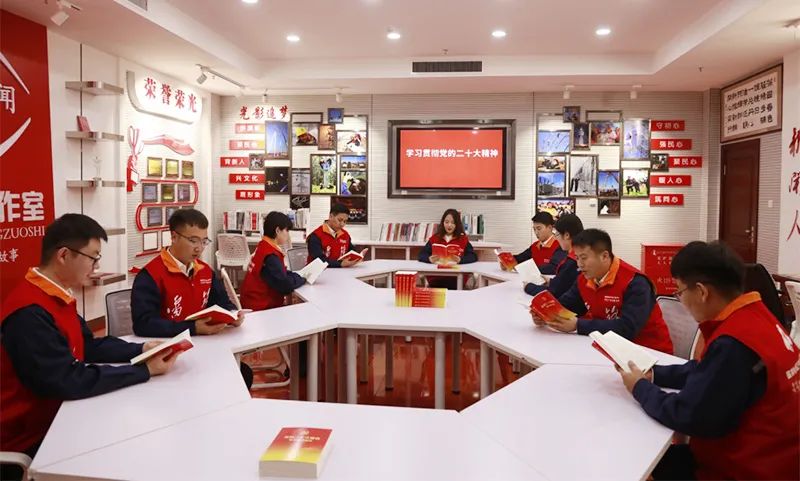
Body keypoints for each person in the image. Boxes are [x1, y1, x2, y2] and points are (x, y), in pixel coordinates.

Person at [0, 214, 179, 477]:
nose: (96, 265)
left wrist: (142, 350)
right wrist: (143, 371)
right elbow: (66, 379)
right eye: (93, 257)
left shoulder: (55, 294)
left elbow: (88, 346)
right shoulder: (29, 312)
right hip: (32, 440)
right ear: (64, 255)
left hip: (63, 416)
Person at [616, 241, 800, 481]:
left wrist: (639, 387)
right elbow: (710, 371)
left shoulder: (733, 344)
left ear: (702, 292)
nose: (681, 300)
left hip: (744, 468)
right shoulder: (756, 315)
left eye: (680, 292)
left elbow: (689, 415)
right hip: (778, 457)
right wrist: (655, 374)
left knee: (630, 462)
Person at [531, 228, 673, 354]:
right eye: (577, 258)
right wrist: (546, 314)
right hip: (609, 348)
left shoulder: (635, 282)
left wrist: (577, 325)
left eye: (584, 258)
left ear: (604, 256)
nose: (579, 264)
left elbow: (627, 328)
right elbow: (567, 305)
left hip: (649, 353)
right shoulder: (584, 279)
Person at [131, 208, 245, 338]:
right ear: (174, 237)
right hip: (166, 345)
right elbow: (143, 324)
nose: (199, 248)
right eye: (193, 240)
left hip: (205, 343)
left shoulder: (205, 271)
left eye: (204, 241)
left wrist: (232, 315)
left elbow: (223, 303)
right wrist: (192, 328)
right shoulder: (150, 275)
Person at [240, 211, 306, 311]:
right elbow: (285, 286)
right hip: (259, 307)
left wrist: (295, 276)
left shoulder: (263, 245)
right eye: (287, 230)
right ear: (278, 230)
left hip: (251, 300)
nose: (288, 235)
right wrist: (301, 279)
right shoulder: (270, 255)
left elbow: (280, 274)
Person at [524, 214, 583, 298]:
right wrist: (551, 282)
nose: (556, 238)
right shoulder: (579, 255)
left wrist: (528, 287)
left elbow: (554, 292)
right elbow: (564, 284)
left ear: (566, 235)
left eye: (557, 234)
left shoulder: (573, 261)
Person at [418, 209, 478, 289]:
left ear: (457, 224)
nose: (449, 225)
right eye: (446, 222)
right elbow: (421, 255)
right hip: (436, 279)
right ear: (443, 223)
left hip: (456, 279)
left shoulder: (463, 239)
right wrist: (429, 259)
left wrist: (460, 260)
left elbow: (473, 256)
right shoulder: (435, 238)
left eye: (453, 223)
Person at [306, 203, 366, 268]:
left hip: (339, 272)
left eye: (345, 221)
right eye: (340, 220)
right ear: (331, 216)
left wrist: (357, 256)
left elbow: (351, 250)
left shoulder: (345, 235)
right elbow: (318, 260)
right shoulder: (316, 236)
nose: (342, 224)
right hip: (318, 272)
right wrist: (340, 264)